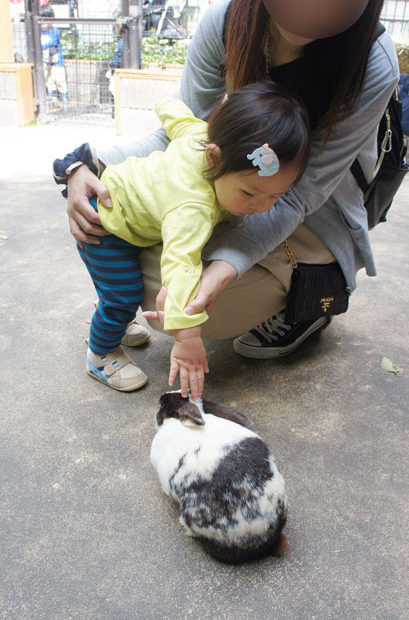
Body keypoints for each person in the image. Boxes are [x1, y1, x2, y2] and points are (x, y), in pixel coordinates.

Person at [63, 0, 399, 370]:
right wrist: (80, 168)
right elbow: (176, 132)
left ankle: (311, 301)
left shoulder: (373, 63)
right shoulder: (227, 19)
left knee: (191, 297)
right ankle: (112, 332)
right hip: (249, 188)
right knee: (155, 276)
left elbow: (299, 196)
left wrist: (223, 270)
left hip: (313, 208)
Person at [54, 82, 311, 398]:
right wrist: (187, 339)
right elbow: (180, 268)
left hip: (134, 211)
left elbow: (176, 115)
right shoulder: (193, 208)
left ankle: (113, 321)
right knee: (122, 294)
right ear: (214, 159)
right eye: (249, 192)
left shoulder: (200, 135)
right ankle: (101, 353)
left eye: (276, 195)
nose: (261, 205)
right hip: (105, 225)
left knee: (121, 290)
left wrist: (163, 103)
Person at [40, 7, 69, 109]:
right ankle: (53, 99)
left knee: (60, 79)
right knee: (49, 80)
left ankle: (65, 99)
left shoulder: (54, 31)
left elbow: (52, 42)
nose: (44, 24)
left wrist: (41, 46)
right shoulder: (39, 32)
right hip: (45, 61)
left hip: (57, 61)